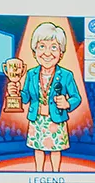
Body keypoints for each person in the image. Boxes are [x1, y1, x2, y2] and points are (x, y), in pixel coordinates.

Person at [20, 22, 82, 173]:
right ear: (34, 52)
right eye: (42, 46)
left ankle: (56, 176)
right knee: (38, 149)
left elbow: (77, 97)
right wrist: (15, 93)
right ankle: (39, 174)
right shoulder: (31, 74)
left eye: (53, 47)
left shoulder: (66, 75)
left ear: (61, 53)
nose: (47, 53)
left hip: (56, 119)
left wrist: (67, 103)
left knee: (56, 150)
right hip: (37, 119)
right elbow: (26, 97)